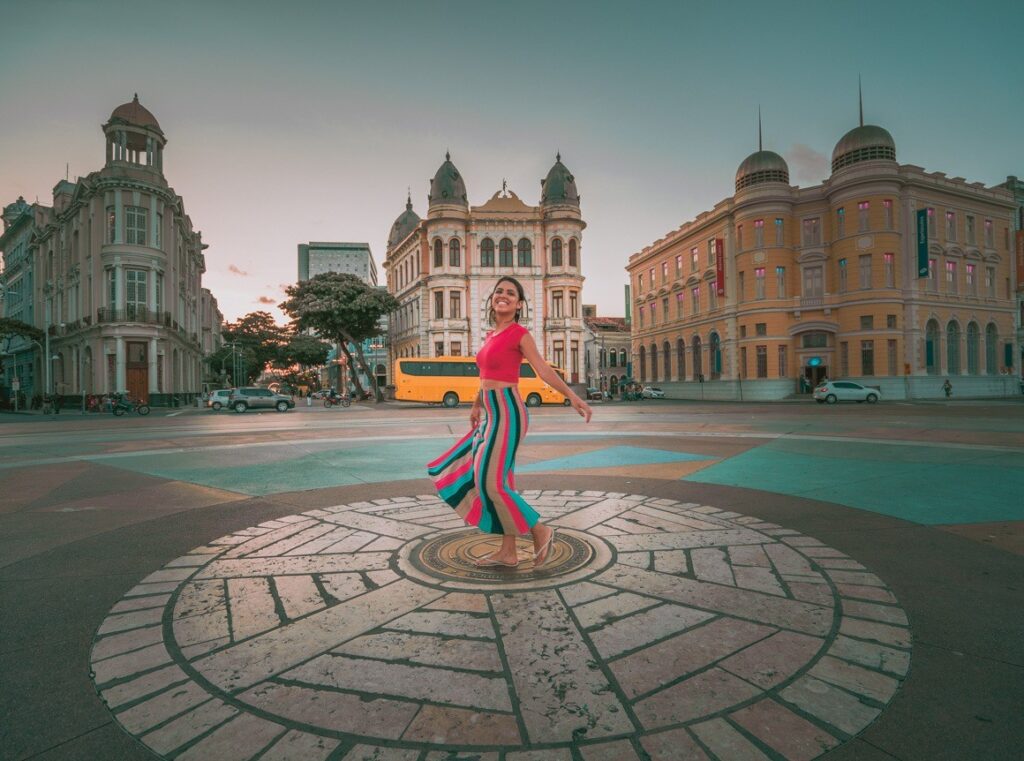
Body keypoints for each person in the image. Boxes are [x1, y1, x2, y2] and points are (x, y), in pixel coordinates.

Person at [427, 276, 592, 568]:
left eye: (510, 293)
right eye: (499, 291)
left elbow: (543, 370)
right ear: (494, 300)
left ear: (518, 304)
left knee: (490, 484)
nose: (503, 295)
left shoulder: (519, 334)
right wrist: (477, 404)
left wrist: (572, 396)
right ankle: (508, 552)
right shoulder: (491, 335)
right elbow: (485, 376)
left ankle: (541, 530)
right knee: (499, 482)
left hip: (508, 412)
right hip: (490, 413)